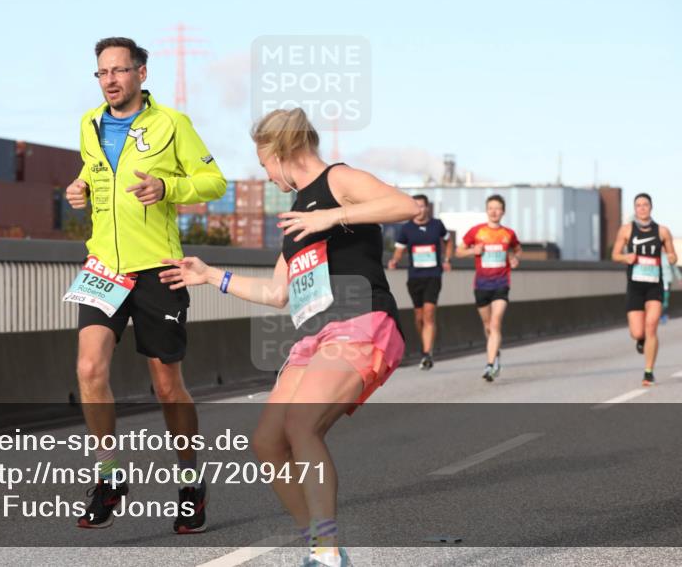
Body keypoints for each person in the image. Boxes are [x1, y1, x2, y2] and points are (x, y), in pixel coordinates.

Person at [159, 108, 417, 567]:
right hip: (314, 336)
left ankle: (326, 554)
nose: (266, 175)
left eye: (264, 164)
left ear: (281, 152)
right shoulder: (296, 217)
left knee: (302, 425)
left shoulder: (338, 180)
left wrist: (332, 217)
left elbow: (406, 206)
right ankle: (322, 545)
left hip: (361, 320)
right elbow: (277, 293)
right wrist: (211, 276)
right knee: (268, 442)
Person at [64, 37, 226, 532]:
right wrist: (79, 187)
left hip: (158, 270)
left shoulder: (172, 124)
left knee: (167, 386)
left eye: (119, 70)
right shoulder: (89, 124)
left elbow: (214, 182)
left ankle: (190, 483)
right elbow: (94, 172)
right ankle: (109, 476)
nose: (110, 80)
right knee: (89, 368)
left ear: (141, 73)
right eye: (102, 72)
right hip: (104, 267)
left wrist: (167, 187)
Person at [611, 193, 678, 387]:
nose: (642, 208)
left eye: (645, 204)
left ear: (651, 207)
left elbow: (673, 255)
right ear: (635, 209)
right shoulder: (626, 230)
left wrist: (672, 258)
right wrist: (625, 257)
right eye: (638, 205)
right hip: (635, 286)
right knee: (637, 332)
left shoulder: (662, 231)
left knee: (651, 326)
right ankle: (641, 340)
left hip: (654, 285)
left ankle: (648, 372)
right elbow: (615, 254)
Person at [456, 195, 521, 382]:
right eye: (491, 208)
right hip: (482, 285)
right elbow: (458, 251)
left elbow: (517, 249)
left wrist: (515, 258)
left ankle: (490, 364)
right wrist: (472, 251)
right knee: (487, 326)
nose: (494, 212)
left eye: (497, 208)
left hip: (501, 283)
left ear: (503, 211)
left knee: (495, 323)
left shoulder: (508, 233)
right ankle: (495, 352)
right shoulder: (477, 231)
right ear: (486, 210)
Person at [388, 195, 453, 369]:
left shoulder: (437, 225)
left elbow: (448, 242)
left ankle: (426, 353)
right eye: (415, 206)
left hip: (434, 275)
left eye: (422, 206)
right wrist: (394, 261)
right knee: (419, 317)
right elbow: (399, 250)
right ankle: (425, 344)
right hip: (415, 277)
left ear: (427, 208)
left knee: (429, 314)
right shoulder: (406, 229)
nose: (419, 209)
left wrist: (447, 259)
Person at [659, 250, 682, 324]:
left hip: (667, 281)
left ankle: (664, 315)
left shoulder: (669, 257)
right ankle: (658, 314)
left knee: (665, 298)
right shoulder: (656, 256)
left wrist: (680, 279)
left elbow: (675, 269)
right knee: (657, 299)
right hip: (657, 281)